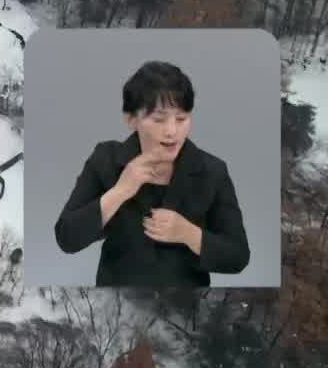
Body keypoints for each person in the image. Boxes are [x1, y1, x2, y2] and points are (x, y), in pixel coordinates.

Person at [54, 60, 250, 286]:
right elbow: (66, 238)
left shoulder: (213, 171)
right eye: (158, 119)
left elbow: (238, 256)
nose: (172, 131)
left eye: (181, 119)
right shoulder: (105, 159)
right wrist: (120, 191)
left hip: (184, 303)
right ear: (131, 119)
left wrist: (188, 233)